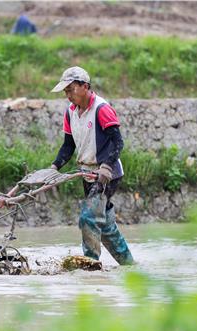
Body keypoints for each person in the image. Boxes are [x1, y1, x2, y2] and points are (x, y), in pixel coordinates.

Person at [50, 66, 134, 265]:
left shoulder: (101, 109)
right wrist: (54, 167)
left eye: (71, 89)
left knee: (88, 218)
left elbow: (117, 142)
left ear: (85, 86)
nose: (68, 95)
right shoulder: (70, 112)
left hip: (107, 174)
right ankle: (130, 266)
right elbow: (68, 146)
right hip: (87, 174)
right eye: (66, 91)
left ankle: (89, 265)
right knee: (104, 225)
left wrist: (106, 167)